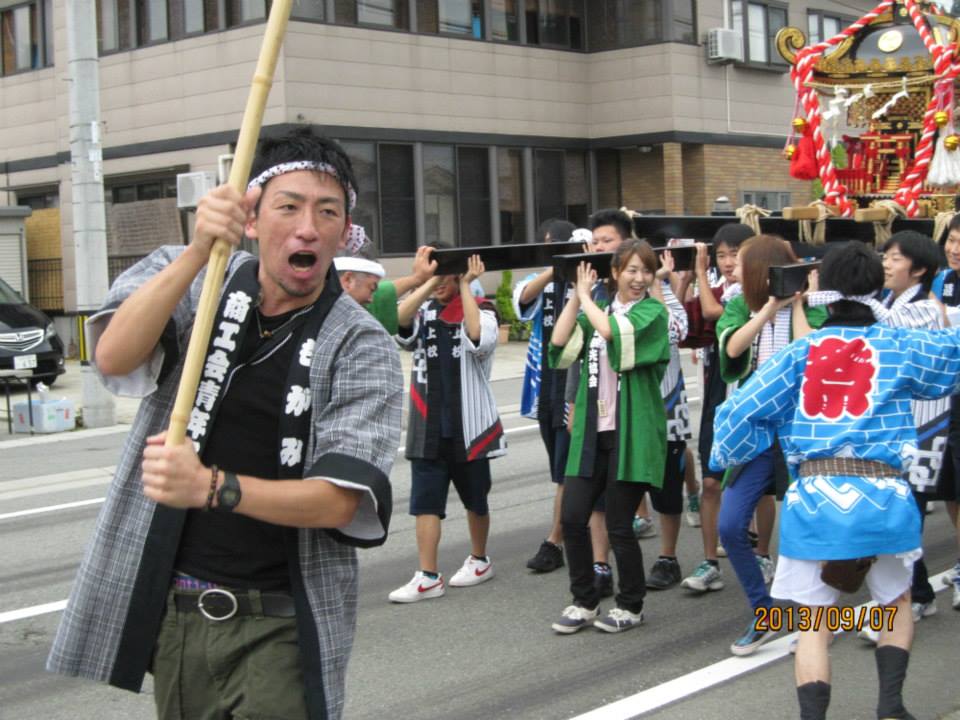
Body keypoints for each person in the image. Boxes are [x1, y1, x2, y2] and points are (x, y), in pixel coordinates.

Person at [47, 127, 402, 720]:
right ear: (252, 219)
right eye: (287, 207)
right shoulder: (197, 280)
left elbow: (339, 502)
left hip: (281, 618)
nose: (307, 227)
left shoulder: (361, 343)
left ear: (345, 232)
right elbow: (111, 355)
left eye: (327, 211)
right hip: (179, 611)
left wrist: (212, 488)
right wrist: (195, 251)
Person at [711, 240, 960, 720]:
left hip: (814, 500)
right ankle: (891, 706)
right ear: (874, 284)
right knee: (897, 599)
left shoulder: (800, 353)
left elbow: (739, 412)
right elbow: (951, 359)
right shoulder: (900, 345)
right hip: (885, 496)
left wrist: (735, 455)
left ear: (820, 283)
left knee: (813, 623)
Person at [548, 239, 669, 633]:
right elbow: (560, 345)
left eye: (646, 270)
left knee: (619, 524)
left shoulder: (652, 312)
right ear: (615, 273)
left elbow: (613, 333)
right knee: (572, 516)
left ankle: (631, 605)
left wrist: (586, 296)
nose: (640, 278)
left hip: (632, 433)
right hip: (591, 431)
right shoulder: (598, 310)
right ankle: (584, 600)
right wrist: (573, 294)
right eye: (631, 270)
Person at [714, 234, 827, 656]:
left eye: (742, 263)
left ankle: (816, 615)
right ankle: (765, 610)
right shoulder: (740, 306)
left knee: (807, 527)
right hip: (756, 434)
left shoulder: (815, 306)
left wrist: (797, 303)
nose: (734, 269)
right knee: (730, 525)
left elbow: (810, 353)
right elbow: (731, 348)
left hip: (800, 434)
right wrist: (767, 309)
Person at [388, 249, 506, 603]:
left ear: (461, 276)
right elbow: (396, 324)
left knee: (476, 498)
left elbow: (478, 337)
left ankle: (480, 559)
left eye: (448, 276)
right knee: (425, 501)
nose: (442, 284)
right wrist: (426, 283)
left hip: (470, 423)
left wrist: (467, 287)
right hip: (428, 421)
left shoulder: (482, 308)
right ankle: (427, 575)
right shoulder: (423, 309)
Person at [675, 223, 753, 593]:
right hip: (719, 397)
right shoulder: (717, 286)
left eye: (734, 253)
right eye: (720, 255)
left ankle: (763, 555)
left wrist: (701, 274)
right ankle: (709, 562)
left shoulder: (756, 292)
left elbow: (712, 312)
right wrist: (688, 275)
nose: (727, 262)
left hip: (753, 396)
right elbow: (681, 325)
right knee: (711, 482)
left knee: (762, 487)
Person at [515, 218, 579, 573]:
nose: (556, 251)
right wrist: (553, 268)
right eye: (549, 246)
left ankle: (556, 539)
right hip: (548, 385)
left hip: (578, 382)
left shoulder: (585, 280)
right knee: (559, 464)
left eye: (562, 245)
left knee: (566, 469)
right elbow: (522, 298)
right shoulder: (543, 281)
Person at [643, 249, 691, 591]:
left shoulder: (665, 293)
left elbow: (675, 331)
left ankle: (668, 557)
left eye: (642, 269)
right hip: (626, 409)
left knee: (667, 490)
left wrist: (660, 283)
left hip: (667, 406)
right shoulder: (609, 298)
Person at [931, 214, 960, 609]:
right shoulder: (941, 281)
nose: (955, 248)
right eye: (952, 240)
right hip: (945, 395)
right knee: (952, 487)